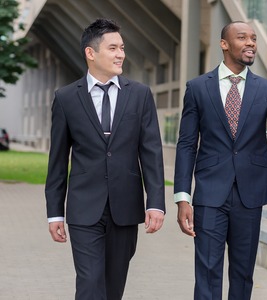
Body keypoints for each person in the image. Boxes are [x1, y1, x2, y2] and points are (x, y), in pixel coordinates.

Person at [174, 21, 267, 300]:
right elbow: (186, 144)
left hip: (250, 192)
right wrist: (183, 197)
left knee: (243, 271)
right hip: (210, 192)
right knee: (207, 270)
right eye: (243, 37)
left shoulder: (265, 87)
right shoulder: (197, 87)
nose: (251, 43)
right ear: (224, 44)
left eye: (254, 38)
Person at [45, 18, 165, 300]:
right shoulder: (65, 98)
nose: (121, 54)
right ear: (91, 52)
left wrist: (156, 203)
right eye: (113, 48)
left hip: (125, 207)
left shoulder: (139, 95)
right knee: (89, 283)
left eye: (122, 47)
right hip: (84, 208)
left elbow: (152, 153)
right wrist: (54, 213)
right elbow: (57, 161)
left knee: (114, 286)